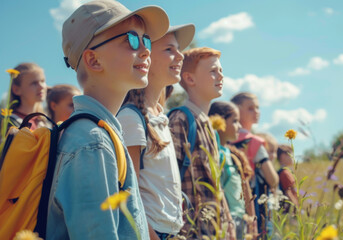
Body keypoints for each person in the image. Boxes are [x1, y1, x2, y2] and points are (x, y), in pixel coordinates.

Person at [46, 1, 169, 239]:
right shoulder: (92, 143)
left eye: (147, 40)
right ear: (94, 61)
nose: (145, 50)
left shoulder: (101, 133)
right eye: (131, 39)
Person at [117, 24, 195, 240]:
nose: (180, 56)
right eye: (169, 50)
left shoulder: (160, 117)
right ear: (146, 58)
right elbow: (129, 194)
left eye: (178, 49)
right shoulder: (131, 118)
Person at [168, 47, 235, 239]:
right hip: (191, 230)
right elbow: (169, 182)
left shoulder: (210, 128)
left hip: (214, 229)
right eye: (213, 71)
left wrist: (227, 223)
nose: (220, 76)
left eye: (221, 71)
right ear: (190, 79)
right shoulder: (181, 119)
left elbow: (216, 184)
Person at [230, 92, 279, 236]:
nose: (256, 112)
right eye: (250, 108)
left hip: (232, 204)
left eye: (257, 108)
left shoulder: (224, 139)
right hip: (255, 206)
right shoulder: (254, 142)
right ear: (236, 110)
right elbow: (273, 179)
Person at [208, 101, 256, 239]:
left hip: (241, 218)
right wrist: (228, 221)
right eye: (235, 121)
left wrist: (252, 220)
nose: (239, 126)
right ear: (219, 122)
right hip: (226, 220)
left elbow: (246, 190)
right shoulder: (214, 155)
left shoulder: (233, 155)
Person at [6, 62, 47, 130]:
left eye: (42, 81)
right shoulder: (8, 122)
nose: (41, 87)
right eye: (34, 83)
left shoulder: (45, 122)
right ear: (16, 90)